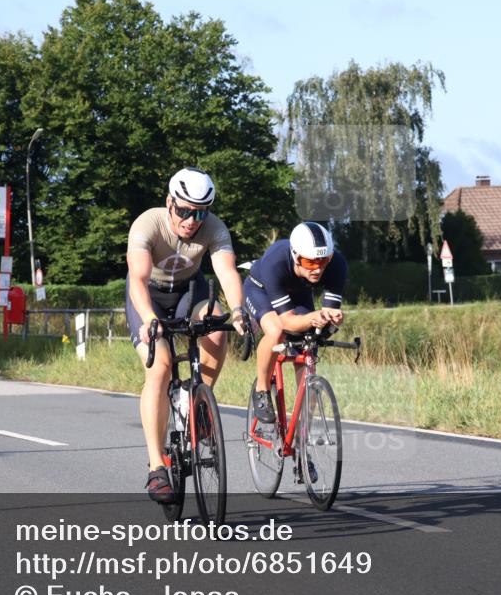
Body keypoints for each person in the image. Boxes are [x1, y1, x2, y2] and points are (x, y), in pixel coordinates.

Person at [125, 167, 245, 503]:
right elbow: (137, 278)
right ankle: (155, 466)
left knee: (217, 323)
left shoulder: (214, 228)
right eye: (184, 211)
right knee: (160, 367)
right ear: (169, 203)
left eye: (200, 213)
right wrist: (149, 318)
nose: (192, 220)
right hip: (147, 296)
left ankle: (199, 406)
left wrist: (239, 312)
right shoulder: (148, 223)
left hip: (187, 294)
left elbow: (226, 271)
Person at [242, 221, 348, 424]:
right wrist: (311, 318)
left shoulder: (337, 264)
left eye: (324, 261)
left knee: (309, 345)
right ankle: (262, 390)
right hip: (260, 290)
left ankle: (302, 432)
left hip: (298, 294)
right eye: (310, 263)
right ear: (296, 256)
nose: (318, 269)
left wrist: (332, 320)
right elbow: (287, 322)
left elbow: (329, 312)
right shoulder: (276, 261)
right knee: (276, 332)